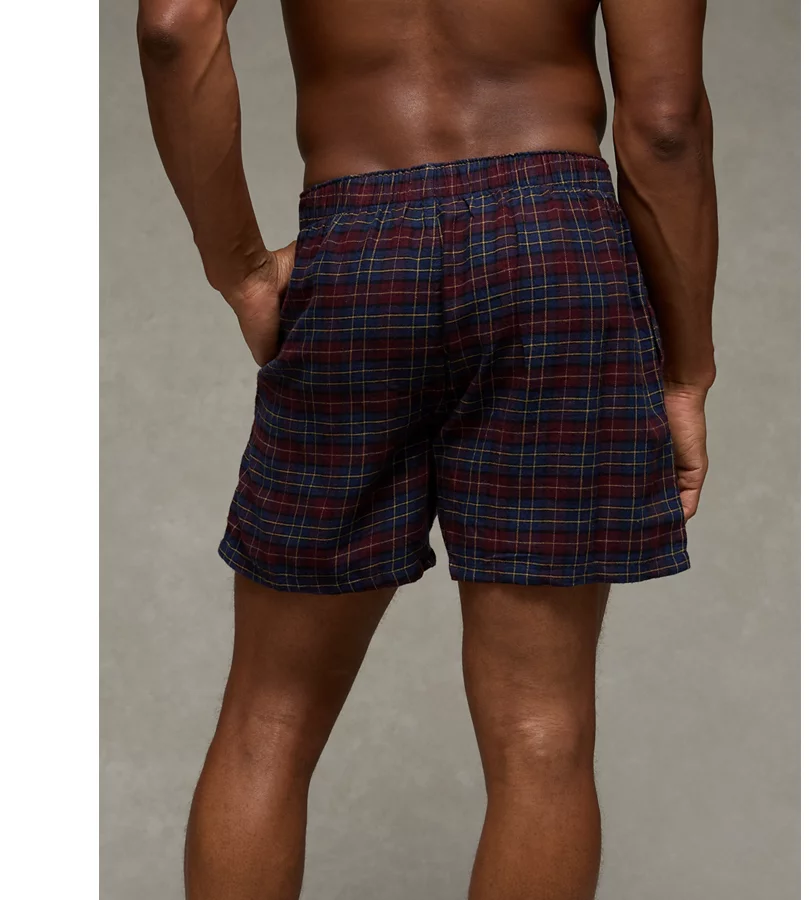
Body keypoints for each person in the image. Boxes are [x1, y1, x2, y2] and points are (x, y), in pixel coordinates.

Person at [137, 0, 717, 896]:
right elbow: (665, 126)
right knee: (542, 735)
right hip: (556, 254)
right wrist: (685, 373)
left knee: (270, 721)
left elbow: (174, 25)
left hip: (357, 243)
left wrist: (241, 269)